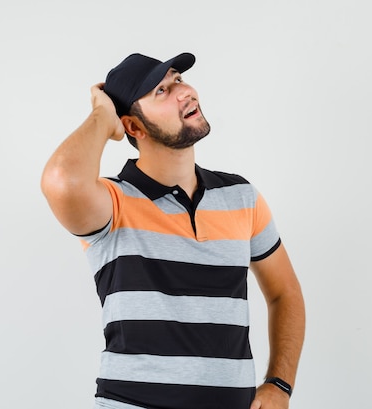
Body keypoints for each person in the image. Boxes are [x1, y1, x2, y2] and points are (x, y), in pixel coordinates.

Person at [41, 52, 306, 409]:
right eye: (161, 91)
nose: (185, 92)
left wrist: (279, 384)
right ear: (132, 127)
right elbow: (61, 180)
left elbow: (285, 292)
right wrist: (102, 116)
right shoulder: (112, 202)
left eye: (178, 79)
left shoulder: (241, 197)